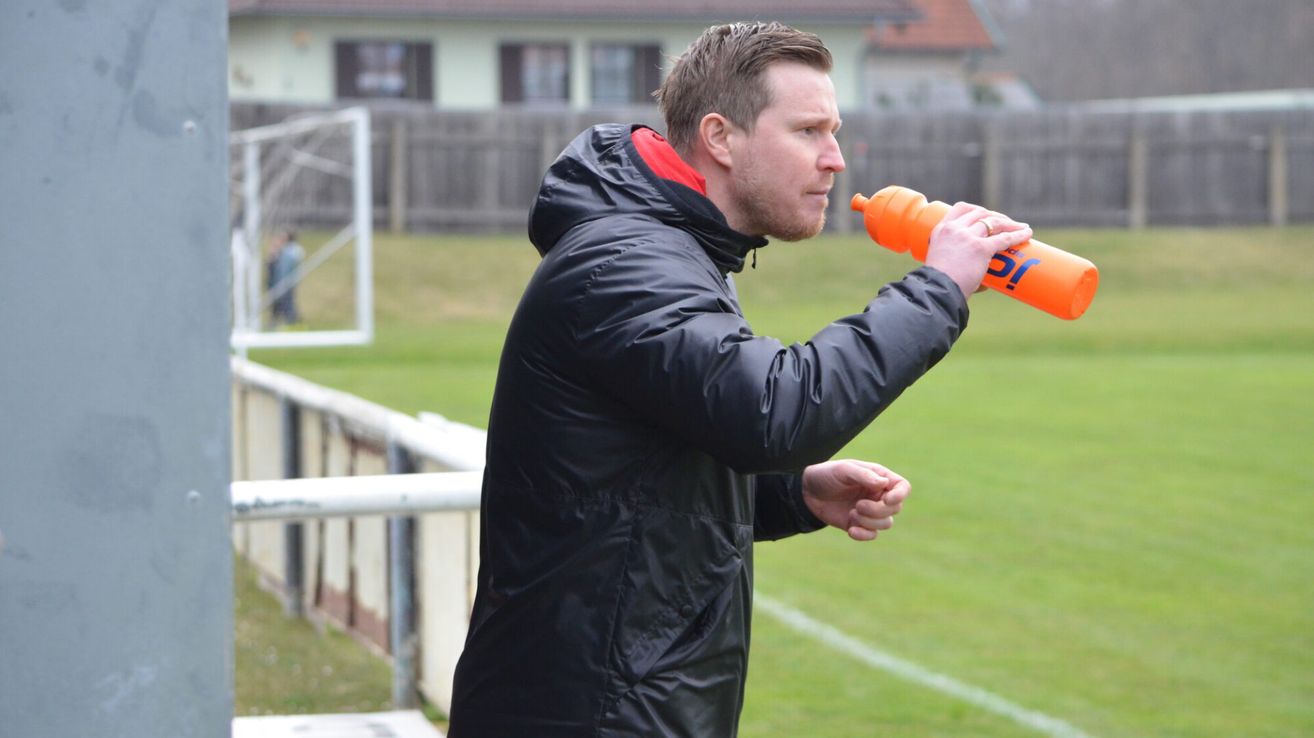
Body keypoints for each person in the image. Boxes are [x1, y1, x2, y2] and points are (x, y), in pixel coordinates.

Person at [447, 21, 1032, 737]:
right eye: (810, 131)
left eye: (834, 131)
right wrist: (938, 289)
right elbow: (771, 412)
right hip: (591, 716)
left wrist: (794, 493)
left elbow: (636, 493)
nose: (836, 160)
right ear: (721, 138)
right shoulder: (627, 265)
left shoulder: (668, 252)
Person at [266, 229, 305, 327]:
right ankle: (276, 322)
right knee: (277, 305)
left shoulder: (292, 251)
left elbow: (286, 267)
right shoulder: (282, 252)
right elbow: (270, 265)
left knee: (286, 302)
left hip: (285, 282)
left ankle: (292, 320)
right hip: (277, 282)